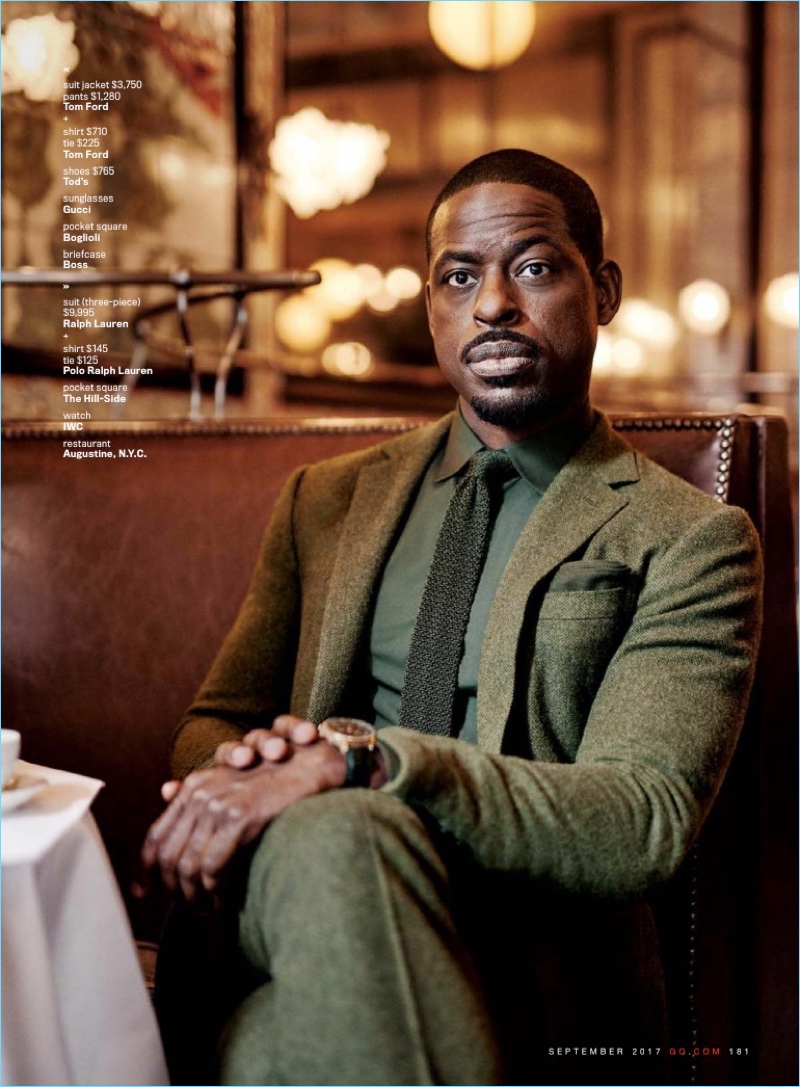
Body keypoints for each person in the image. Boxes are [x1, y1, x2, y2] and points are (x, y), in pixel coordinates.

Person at [140, 149, 763, 1086]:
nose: (494, 305)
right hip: (283, 895)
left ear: (604, 291)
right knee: (333, 835)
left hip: (527, 952)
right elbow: (214, 720)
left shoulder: (691, 539)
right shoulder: (325, 500)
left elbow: (643, 818)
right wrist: (240, 776)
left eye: (537, 267)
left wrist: (363, 762)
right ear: (432, 304)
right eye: (459, 276)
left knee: (272, 1042)